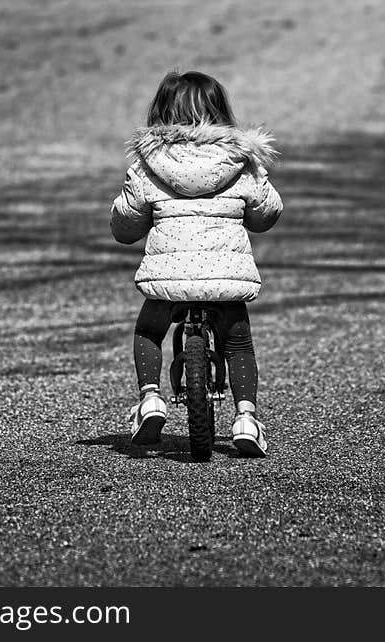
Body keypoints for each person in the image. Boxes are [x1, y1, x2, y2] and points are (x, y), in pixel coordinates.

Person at [110, 71, 283, 457]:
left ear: (160, 113)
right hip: (224, 279)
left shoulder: (148, 164)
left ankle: (151, 399)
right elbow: (267, 214)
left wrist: (126, 218)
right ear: (221, 113)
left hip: (170, 279)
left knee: (149, 331)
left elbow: (126, 225)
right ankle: (246, 418)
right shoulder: (242, 161)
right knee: (238, 344)